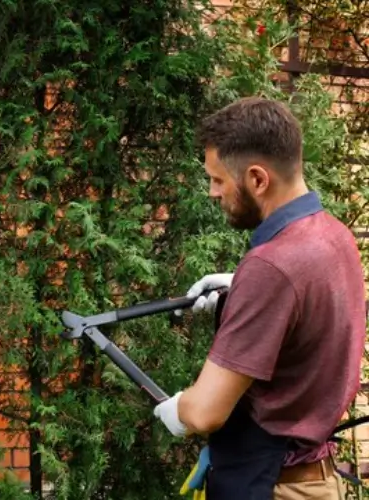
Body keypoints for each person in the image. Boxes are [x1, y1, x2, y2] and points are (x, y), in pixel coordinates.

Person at [153, 97, 367, 499]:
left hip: (274, 486)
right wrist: (242, 287)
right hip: (317, 482)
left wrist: (177, 410)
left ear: (257, 179)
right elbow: (308, 299)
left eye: (218, 180)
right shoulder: (333, 235)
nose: (212, 192)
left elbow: (205, 412)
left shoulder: (272, 267)